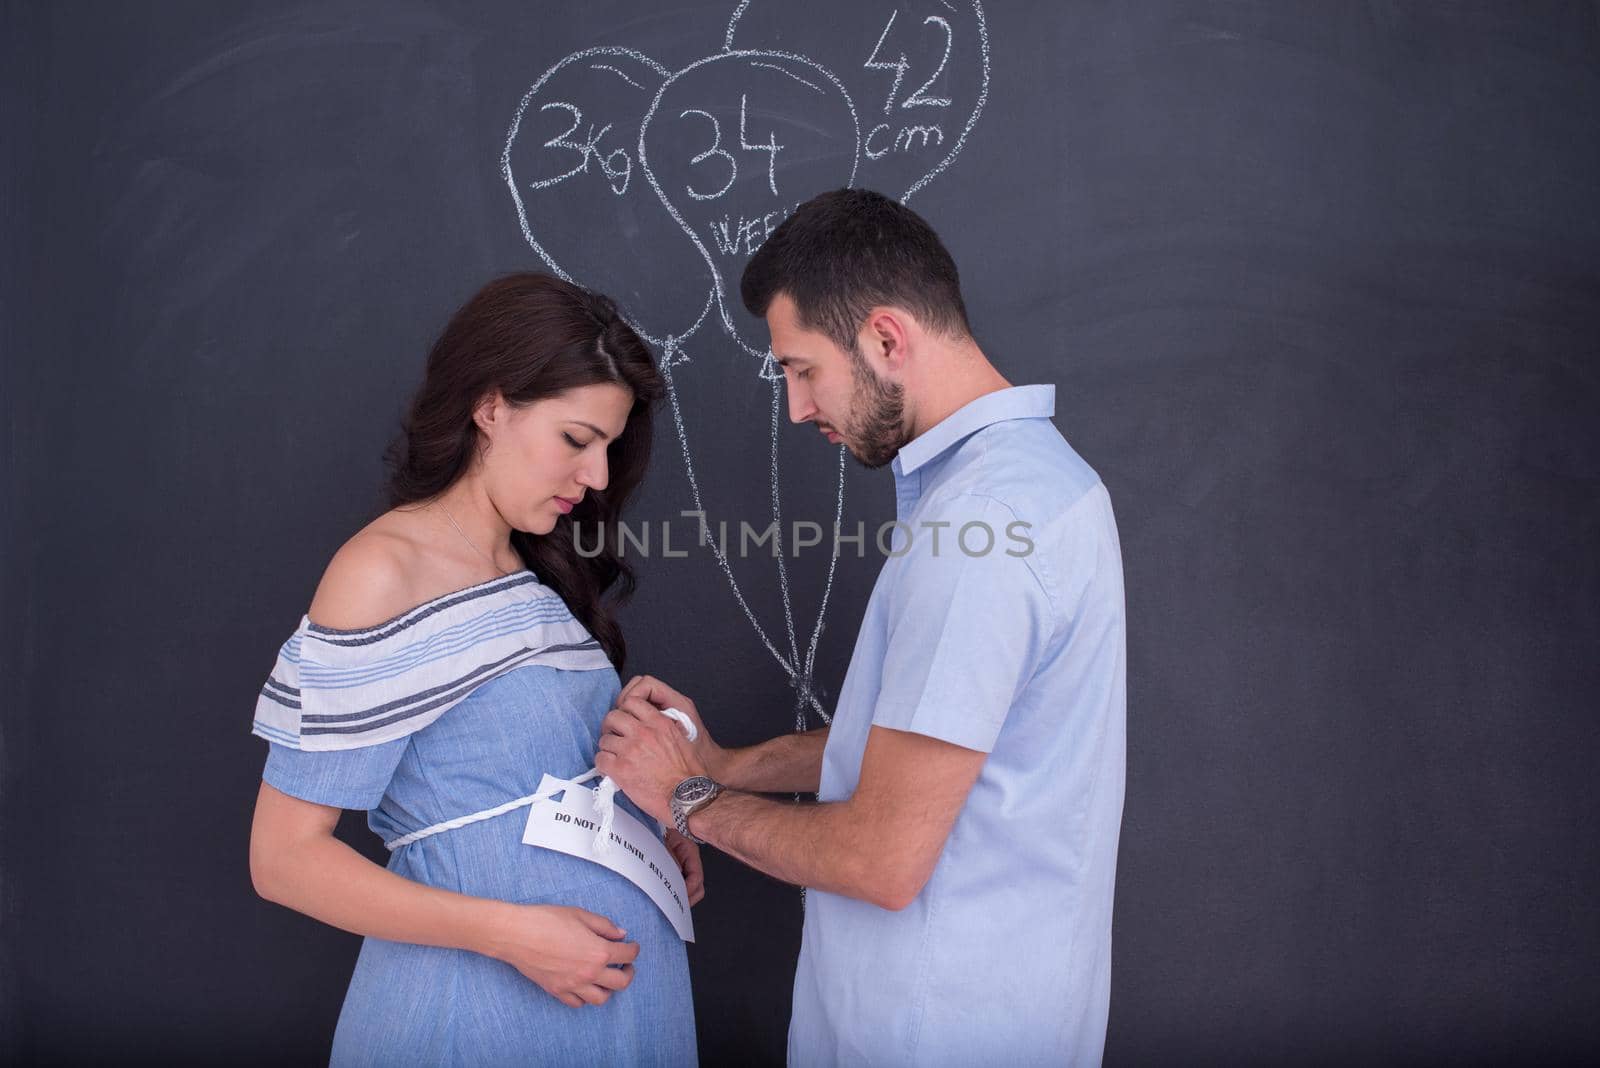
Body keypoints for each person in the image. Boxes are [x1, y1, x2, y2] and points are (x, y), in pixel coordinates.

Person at [594, 189, 1127, 1066]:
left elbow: (884, 857)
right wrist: (727, 764)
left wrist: (686, 798)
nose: (799, 409)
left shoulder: (984, 528)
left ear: (885, 338)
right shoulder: (1039, 485)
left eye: (802, 369)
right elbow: (934, 750)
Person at [247, 273, 701, 1066]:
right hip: (479, 1010)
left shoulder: (534, 574)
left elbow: (511, 782)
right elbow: (284, 860)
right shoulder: (383, 572)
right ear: (491, 407)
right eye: (576, 439)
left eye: (608, 447)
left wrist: (651, 816)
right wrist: (513, 934)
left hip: (616, 1008)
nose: (597, 477)